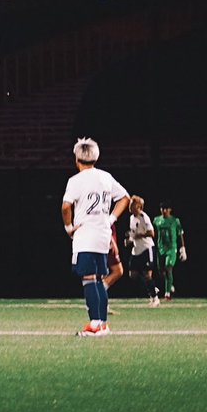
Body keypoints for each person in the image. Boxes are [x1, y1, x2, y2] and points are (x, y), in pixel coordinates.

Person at [62, 136, 130, 337]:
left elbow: (66, 206)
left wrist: (68, 228)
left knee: (88, 278)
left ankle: (95, 323)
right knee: (99, 279)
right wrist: (110, 219)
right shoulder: (105, 177)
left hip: (86, 234)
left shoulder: (75, 180)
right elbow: (124, 198)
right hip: (102, 234)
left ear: (77, 158)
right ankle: (102, 324)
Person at [126, 195, 160, 306]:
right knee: (132, 274)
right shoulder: (131, 218)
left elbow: (152, 233)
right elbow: (133, 233)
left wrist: (139, 235)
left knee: (147, 274)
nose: (130, 206)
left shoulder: (144, 217)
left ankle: (155, 298)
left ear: (139, 206)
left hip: (147, 248)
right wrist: (129, 240)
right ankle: (151, 287)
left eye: (132, 204)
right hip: (136, 250)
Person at [153, 202, 186, 300]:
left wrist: (183, 248)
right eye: (162, 209)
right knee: (161, 271)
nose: (164, 211)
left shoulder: (175, 221)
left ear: (170, 210)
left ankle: (167, 294)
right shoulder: (156, 220)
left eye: (166, 209)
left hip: (171, 248)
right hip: (160, 248)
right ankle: (170, 286)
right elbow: (154, 233)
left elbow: (180, 234)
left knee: (168, 268)